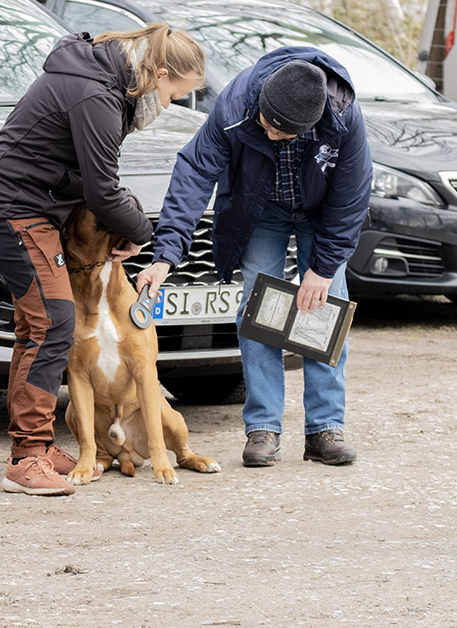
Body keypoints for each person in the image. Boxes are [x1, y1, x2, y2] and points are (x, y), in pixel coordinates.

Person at [0, 23, 205, 496]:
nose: (172, 104)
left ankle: (29, 445)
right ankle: (29, 458)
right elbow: (102, 190)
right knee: (55, 321)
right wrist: (140, 231)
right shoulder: (97, 97)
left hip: (24, 208)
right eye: (176, 93)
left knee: (36, 325)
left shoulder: (102, 84)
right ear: (158, 74)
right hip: (12, 210)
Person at [137, 48, 372, 468]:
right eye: (265, 125)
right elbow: (194, 173)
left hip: (322, 213)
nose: (269, 134)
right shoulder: (235, 104)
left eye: (281, 133)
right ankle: (262, 426)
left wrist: (323, 268)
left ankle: (324, 429)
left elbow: (352, 197)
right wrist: (166, 254)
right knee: (259, 309)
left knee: (325, 308)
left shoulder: (344, 118)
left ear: (310, 125)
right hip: (262, 209)